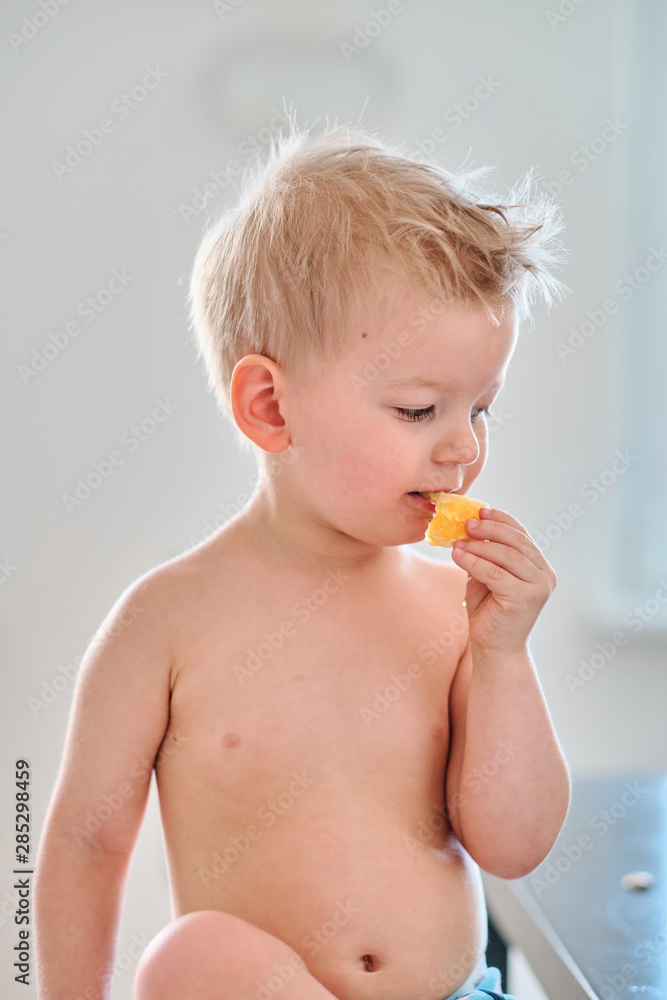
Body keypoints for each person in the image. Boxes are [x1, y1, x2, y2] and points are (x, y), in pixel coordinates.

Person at [34, 123, 571, 1000]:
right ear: (270, 407)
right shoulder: (165, 622)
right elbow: (82, 841)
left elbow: (516, 845)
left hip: (453, 991)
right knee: (190, 959)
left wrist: (504, 655)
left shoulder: (451, 615)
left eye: (481, 410)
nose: (461, 451)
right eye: (416, 410)